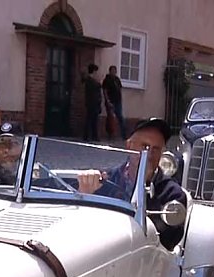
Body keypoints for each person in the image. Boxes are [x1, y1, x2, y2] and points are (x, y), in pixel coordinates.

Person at [77, 118, 187, 250]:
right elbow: (82, 227)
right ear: (129, 146)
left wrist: (144, 186)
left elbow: (169, 241)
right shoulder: (104, 181)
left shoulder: (172, 193)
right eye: (145, 147)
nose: (149, 154)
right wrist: (83, 195)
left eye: (156, 149)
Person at [103, 66, 126, 140]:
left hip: (118, 101)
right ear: (110, 71)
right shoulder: (107, 80)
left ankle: (124, 135)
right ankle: (110, 135)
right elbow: (105, 91)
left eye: (115, 71)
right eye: (112, 71)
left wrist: (120, 99)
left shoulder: (117, 79)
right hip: (111, 101)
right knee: (111, 118)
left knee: (120, 117)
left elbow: (119, 89)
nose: (114, 72)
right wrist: (108, 101)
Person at [82, 63, 102, 142]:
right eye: (96, 71)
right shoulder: (91, 81)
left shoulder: (91, 81)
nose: (97, 73)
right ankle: (90, 136)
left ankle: (91, 136)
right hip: (92, 103)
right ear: (93, 71)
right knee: (91, 120)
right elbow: (94, 93)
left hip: (92, 103)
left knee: (92, 120)